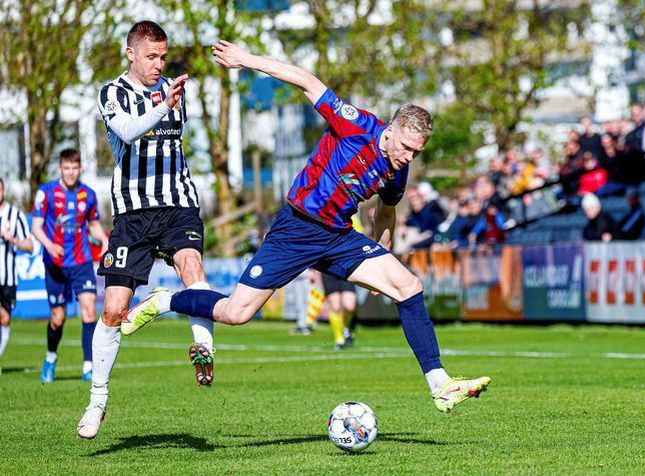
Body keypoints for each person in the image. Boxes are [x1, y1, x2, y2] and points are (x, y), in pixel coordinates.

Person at [124, 40, 491, 414]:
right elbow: (305, 80)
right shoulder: (355, 124)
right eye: (407, 148)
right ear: (392, 130)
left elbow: (385, 213)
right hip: (296, 229)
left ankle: (440, 384)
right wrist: (246, 60)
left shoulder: (398, 169)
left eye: (417, 152)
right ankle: (167, 299)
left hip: (337, 235)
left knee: (409, 286)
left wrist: (384, 256)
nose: (410, 157)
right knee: (236, 313)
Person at [77, 21, 217, 439]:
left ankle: (204, 351)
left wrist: (170, 100)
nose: (159, 64)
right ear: (131, 53)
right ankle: (98, 399)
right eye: (151, 56)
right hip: (132, 215)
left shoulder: (175, 89)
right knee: (114, 311)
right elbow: (127, 131)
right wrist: (162, 106)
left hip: (178, 206)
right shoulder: (112, 93)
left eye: (163, 57)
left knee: (193, 267)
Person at [32, 149, 109, 383]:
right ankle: (51, 358)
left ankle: (88, 367)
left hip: (81, 261)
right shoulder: (46, 192)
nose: (70, 172)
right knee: (58, 318)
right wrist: (49, 244)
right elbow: (36, 227)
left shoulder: (88, 194)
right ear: (60, 169)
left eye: (74, 168)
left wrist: (105, 241)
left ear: (80, 168)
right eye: (66, 168)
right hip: (54, 263)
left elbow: (93, 225)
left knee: (88, 310)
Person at [0, 178, 34, 371]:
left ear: (3, 191)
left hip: (7, 277)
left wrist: (11, 238)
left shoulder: (15, 215)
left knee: (5, 319)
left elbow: (29, 246)